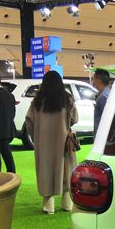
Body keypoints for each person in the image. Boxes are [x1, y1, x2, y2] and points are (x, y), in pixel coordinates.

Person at [26, 71, 78, 214]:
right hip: (63, 142)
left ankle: (48, 206)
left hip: (43, 143)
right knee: (66, 169)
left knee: (45, 170)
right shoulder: (67, 99)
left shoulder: (37, 101)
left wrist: (35, 137)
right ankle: (67, 204)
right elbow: (75, 119)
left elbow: (29, 121)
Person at [91, 68, 112, 138]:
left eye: (93, 78)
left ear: (98, 80)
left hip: (102, 135)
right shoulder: (106, 93)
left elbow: (107, 118)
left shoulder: (103, 96)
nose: (92, 81)